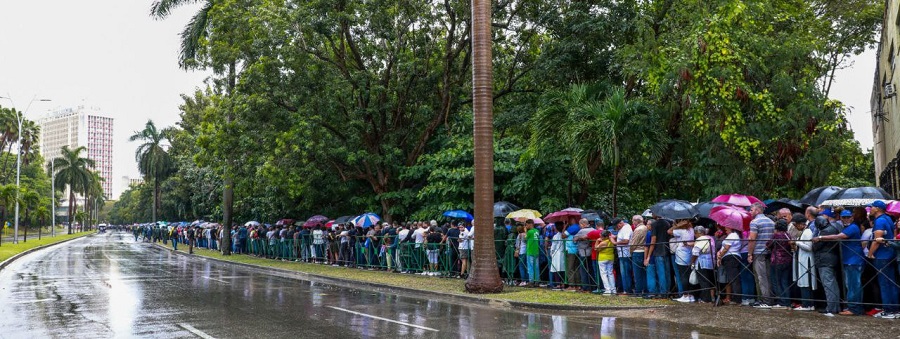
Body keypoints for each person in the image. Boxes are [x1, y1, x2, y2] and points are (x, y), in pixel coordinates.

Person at [815, 209, 864, 316]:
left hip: (853, 260)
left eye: (848, 217)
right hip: (849, 259)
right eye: (843, 217)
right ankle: (853, 307)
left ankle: (854, 309)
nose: (846, 219)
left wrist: (820, 237)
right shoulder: (847, 227)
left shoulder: (852, 227)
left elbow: (839, 236)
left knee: (853, 285)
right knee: (850, 285)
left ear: (852, 217)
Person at [867, 200, 899, 319]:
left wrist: (870, 253)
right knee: (891, 282)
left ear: (877, 209)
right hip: (890, 253)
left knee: (884, 283)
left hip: (881, 255)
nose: (870, 209)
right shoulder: (888, 218)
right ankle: (895, 309)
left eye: (872, 207)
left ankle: (888, 310)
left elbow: (877, 239)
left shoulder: (879, 220)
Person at [812, 208, 843, 317]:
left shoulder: (825, 232)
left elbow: (816, 247)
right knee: (833, 284)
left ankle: (831, 308)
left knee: (828, 284)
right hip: (832, 258)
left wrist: (816, 238)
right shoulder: (834, 228)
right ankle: (835, 306)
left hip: (824, 259)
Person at [747, 202, 775, 309]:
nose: (750, 212)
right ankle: (770, 299)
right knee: (768, 276)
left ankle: (765, 300)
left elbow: (752, 239)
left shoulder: (754, 222)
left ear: (757, 210)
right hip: (769, 251)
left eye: (751, 210)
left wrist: (749, 253)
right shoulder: (771, 221)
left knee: (761, 277)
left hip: (758, 252)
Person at [766, 219, 792, 310]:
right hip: (787, 260)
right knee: (784, 281)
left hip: (777, 260)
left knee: (776, 281)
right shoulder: (788, 235)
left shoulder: (776, 235)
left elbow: (768, 244)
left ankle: (781, 302)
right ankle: (787, 301)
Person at [792, 213, 816, 311]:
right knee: (803, 282)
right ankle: (807, 304)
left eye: (796, 225)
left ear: (801, 224)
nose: (795, 227)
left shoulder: (807, 232)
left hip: (807, 260)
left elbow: (809, 247)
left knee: (806, 282)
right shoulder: (804, 232)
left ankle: (807, 304)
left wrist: (797, 242)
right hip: (803, 260)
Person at [644, 216, 672, 298]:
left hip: (658, 251)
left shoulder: (654, 224)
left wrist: (649, 255)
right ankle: (667, 291)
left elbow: (653, 240)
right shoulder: (667, 223)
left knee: (661, 273)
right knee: (667, 273)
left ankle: (663, 292)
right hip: (666, 250)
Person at [669, 219, 695, 303]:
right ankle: (690, 295)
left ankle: (685, 295)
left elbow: (669, 231)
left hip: (681, 255)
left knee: (683, 276)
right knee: (688, 275)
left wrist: (677, 225)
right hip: (689, 254)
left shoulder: (680, 231)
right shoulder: (691, 230)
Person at [716, 224, 742, 305]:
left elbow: (726, 248)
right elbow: (723, 248)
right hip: (728, 257)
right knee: (732, 278)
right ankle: (736, 298)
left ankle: (737, 299)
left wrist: (720, 256)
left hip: (731, 257)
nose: (725, 228)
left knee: (733, 279)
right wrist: (719, 253)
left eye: (726, 226)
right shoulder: (730, 235)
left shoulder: (733, 235)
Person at [690, 226, 715, 303]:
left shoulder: (700, 239)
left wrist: (692, 262)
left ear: (697, 233)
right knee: (709, 280)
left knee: (703, 281)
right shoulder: (710, 238)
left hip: (702, 262)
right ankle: (710, 297)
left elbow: (695, 252)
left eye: (695, 233)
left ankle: (706, 299)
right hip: (710, 262)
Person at [613, 218, 633, 294]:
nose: (616, 227)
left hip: (625, 254)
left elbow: (626, 240)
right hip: (622, 254)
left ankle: (627, 290)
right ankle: (626, 289)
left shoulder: (626, 229)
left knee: (625, 273)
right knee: (624, 272)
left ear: (620, 223)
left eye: (617, 226)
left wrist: (615, 243)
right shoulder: (623, 228)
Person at [629, 216, 648, 297]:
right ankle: (645, 290)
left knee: (637, 273)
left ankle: (638, 291)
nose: (632, 222)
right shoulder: (646, 228)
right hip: (644, 251)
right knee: (644, 273)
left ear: (636, 221)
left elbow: (634, 243)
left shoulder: (638, 229)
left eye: (633, 221)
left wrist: (630, 251)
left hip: (637, 252)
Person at [594, 230, 616, 295]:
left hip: (602, 258)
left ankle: (607, 290)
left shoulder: (603, 243)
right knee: (610, 274)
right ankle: (613, 289)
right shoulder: (611, 240)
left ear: (603, 237)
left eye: (601, 236)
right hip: (610, 257)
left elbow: (596, 248)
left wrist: (597, 241)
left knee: (603, 274)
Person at [549, 222, 566, 290]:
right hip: (563, 253)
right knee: (563, 269)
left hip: (556, 253)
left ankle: (558, 284)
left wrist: (551, 253)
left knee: (556, 269)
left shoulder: (555, 236)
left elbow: (553, 246)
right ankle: (563, 283)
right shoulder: (565, 235)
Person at [525, 219, 541, 286]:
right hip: (536, 251)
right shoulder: (537, 231)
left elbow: (525, 239)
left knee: (530, 267)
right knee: (536, 267)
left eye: (526, 225)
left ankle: (531, 281)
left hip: (530, 251)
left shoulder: (529, 232)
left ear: (530, 224)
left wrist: (525, 231)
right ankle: (537, 281)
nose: (526, 226)